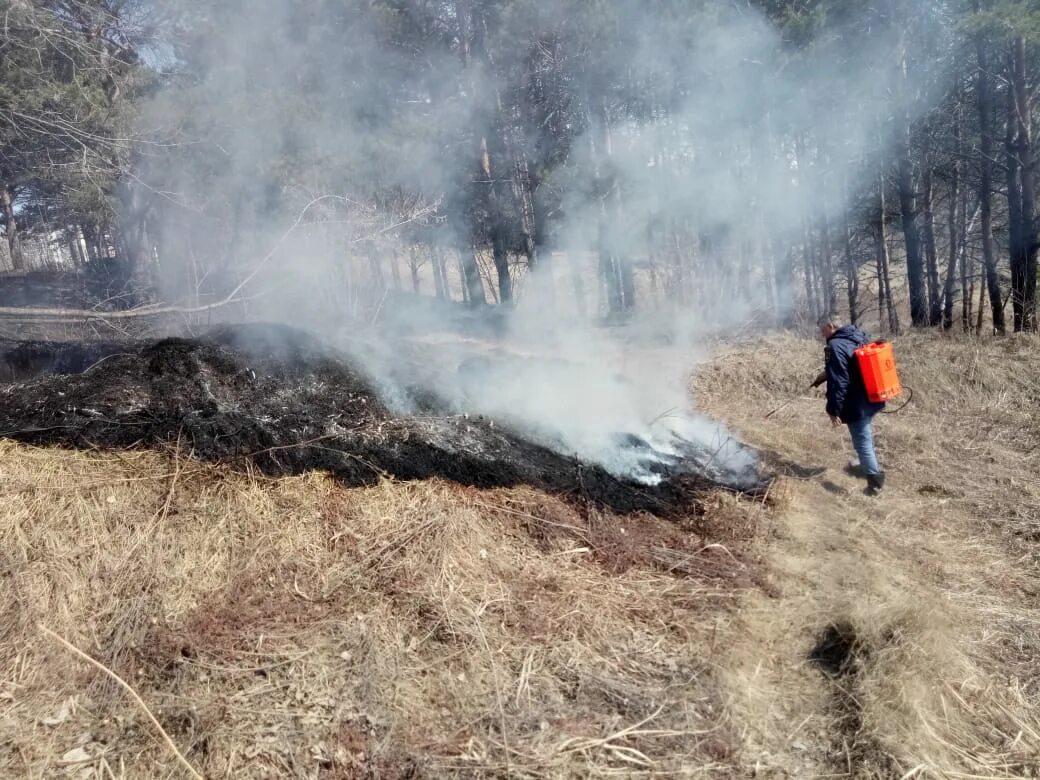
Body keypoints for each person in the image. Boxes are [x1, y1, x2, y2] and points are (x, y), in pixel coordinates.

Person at [816, 314, 886, 495]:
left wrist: (833, 410)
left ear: (830, 325)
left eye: (822, 329)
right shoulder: (857, 335)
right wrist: (825, 374)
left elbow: (839, 381)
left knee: (862, 441)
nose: (822, 334)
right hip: (871, 396)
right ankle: (863, 464)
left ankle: (875, 482)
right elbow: (850, 363)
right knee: (865, 437)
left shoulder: (834, 345)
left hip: (856, 402)